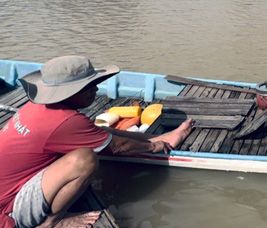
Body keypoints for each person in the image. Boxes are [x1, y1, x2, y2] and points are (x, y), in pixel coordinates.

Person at [0, 55, 194, 228]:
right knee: (85, 159)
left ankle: (161, 136)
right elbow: (118, 147)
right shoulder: (67, 121)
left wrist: (158, 139)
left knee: (94, 133)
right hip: (8, 210)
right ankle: (53, 221)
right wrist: (153, 147)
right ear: (67, 93)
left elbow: (98, 134)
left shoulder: (36, 106)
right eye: (87, 87)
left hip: (9, 188)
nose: (95, 89)